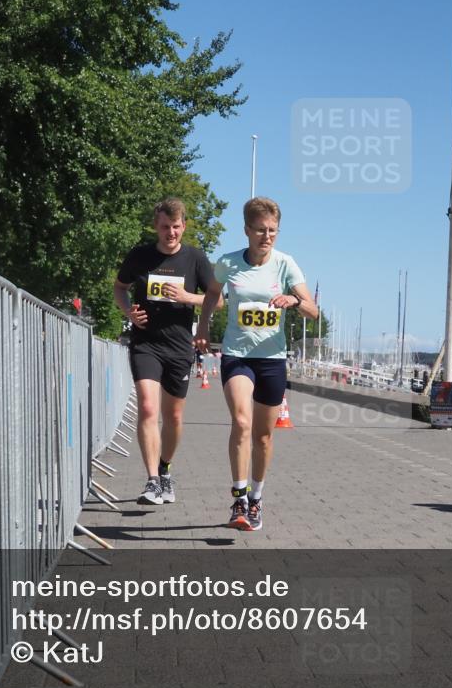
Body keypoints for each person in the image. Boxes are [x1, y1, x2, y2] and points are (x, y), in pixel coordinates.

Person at [194, 197, 317, 531]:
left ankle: (257, 498)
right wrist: (203, 327)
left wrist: (294, 300)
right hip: (237, 355)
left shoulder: (285, 264)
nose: (267, 236)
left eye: (273, 231)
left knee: (263, 436)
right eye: (261, 230)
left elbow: (313, 310)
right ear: (247, 230)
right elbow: (212, 296)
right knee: (242, 422)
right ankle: (239, 496)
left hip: (272, 359)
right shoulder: (228, 263)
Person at [114, 198, 220, 506]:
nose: (170, 233)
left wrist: (189, 297)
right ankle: (151, 481)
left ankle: (165, 470)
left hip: (179, 347)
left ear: (184, 226)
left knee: (173, 416)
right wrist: (128, 313)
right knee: (148, 408)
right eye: (164, 227)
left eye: (176, 227)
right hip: (146, 343)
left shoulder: (196, 259)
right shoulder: (141, 256)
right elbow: (119, 287)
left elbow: (218, 299)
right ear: (156, 226)